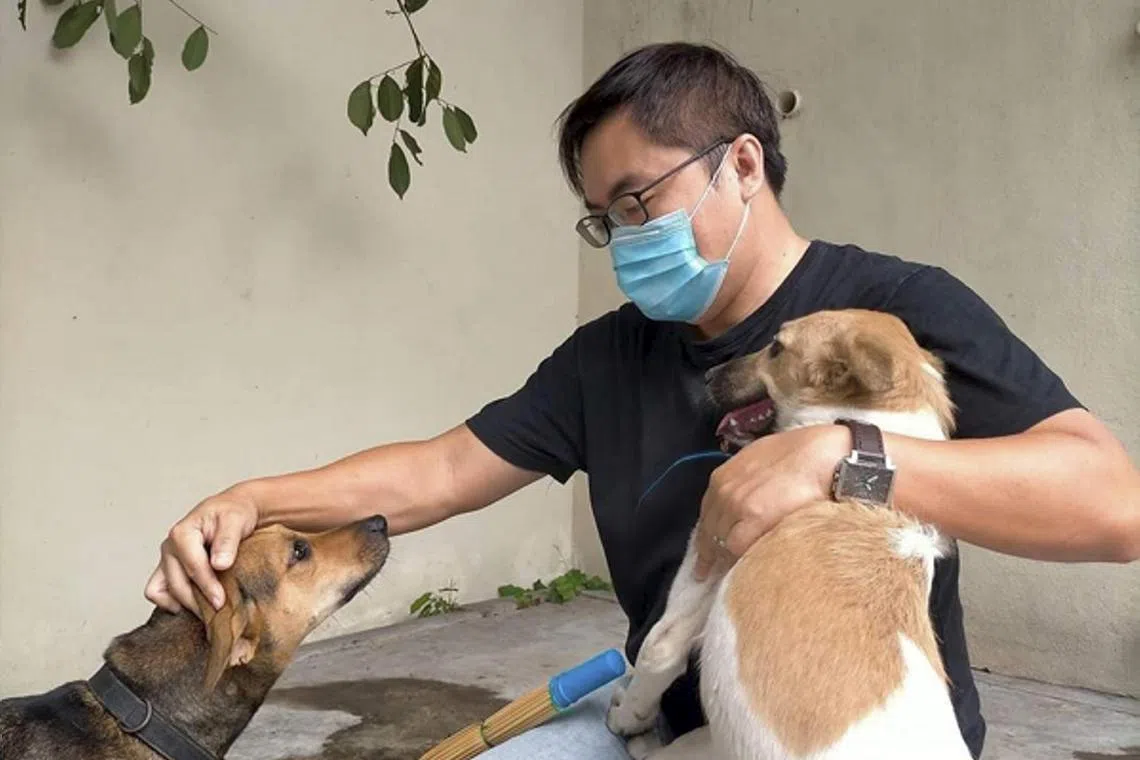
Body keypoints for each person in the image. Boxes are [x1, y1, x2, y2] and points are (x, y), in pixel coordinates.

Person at [144, 43, 1140, 759]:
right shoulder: (606, 360)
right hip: (667, 722)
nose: (623, 240)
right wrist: (251, 496)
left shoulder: (896, 314)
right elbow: (443, 470)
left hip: (853, 731)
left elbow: (1111, 503)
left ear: (742, 163)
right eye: (601, 219)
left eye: (638, 202)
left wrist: (849, 457)